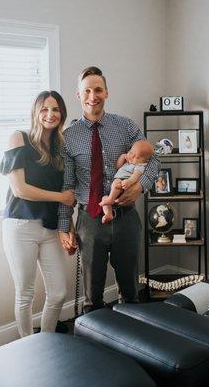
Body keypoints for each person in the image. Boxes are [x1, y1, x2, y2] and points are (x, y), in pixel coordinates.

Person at [58, 66, 160, 313]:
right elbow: (67, 185)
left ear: (107, 93)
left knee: (131, 292)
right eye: (87, 91)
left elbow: (154, 160)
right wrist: (64, 226)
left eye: (98, 90)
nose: (93, 96)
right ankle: (96, 345)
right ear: (78, 95)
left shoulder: (124, 126)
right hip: (89, 221)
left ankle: (131, 344)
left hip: (126, 219)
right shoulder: (68, 136)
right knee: (92, 297)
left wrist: (140, 188)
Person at [0, 91, 76, 338]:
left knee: (58, 293)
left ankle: (48, 339)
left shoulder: (60, 149)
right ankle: (28, 346)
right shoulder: (18, 138)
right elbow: (19, 189)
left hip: (50, 227)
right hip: (21, 226)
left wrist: (69, 228)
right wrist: (61, 198)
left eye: (55, 110)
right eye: (44, 109)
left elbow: (66, 192)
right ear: (35, 111)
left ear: (62, 114)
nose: (50, 114)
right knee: (25, 293)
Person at [99, 140, 154, 223]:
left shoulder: (140, 166)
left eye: (137, 157)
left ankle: (111, 199)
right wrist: (123, 157)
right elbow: (117, 166)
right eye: (131, 152)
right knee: (104, 198)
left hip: (124, 184)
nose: (132, 156)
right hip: (118, 184)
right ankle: (108, 213)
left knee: (116, 184)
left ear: (144, 161)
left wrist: (129, 182)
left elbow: (135, 176)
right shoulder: (128, 163)